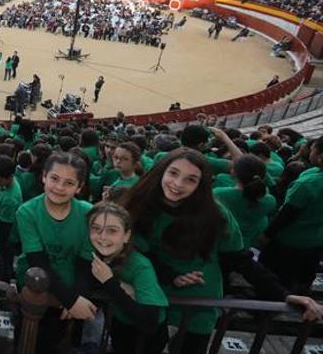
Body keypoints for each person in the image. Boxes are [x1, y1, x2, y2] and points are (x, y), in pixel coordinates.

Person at [122, 148, 323, 352]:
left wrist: (284, 295)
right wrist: (170, 275)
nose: (178, 184)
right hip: (152, 291)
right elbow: (132, 251)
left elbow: (241, 260)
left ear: (201, 184)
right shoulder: (139, 204)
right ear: (161, 172)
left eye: (191, 179)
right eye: (173, 173)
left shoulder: (215, 213)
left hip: (199, 299)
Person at [14, 152, 95, 353]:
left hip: (68, 294)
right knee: (25, 341)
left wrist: (74, 297)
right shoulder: (27, 211)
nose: (59, 187)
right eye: (54, 179)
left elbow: (85, 261)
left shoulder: (88, 213)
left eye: (69, 183)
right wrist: (72, 300)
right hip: (35, 293)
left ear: (79, 187)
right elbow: (38, 261)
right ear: (44, 177)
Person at [86, 202, 169, 354]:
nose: (103, 237)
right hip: (119, 326)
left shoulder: (140, 266)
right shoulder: (96, 255)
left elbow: (150, 323)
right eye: (96, 229)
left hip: (145, 339)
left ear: (126, 235)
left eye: (112, 231)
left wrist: (110, 283)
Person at [260, 136, 323, 294]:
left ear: (321, 156)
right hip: (315, 242)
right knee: (303, 279)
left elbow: (287, 214)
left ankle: (268, 308)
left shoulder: (308, 184)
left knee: (277, 279)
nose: (311, 151)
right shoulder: (312, 173)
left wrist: (266, 236)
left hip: (289, 242)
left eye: (313, 148)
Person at [213, 155, 276, 251]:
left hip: (222, 246)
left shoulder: (218, 194)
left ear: (233, 172)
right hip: (247, 247)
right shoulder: (270, 201)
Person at [0, 155, 22, 282]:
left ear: (9, 177)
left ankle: (2, 287)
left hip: (6, 239)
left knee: (3, 264)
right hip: (3, 233)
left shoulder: (10, 199)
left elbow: (3, 230)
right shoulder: (8, 184)